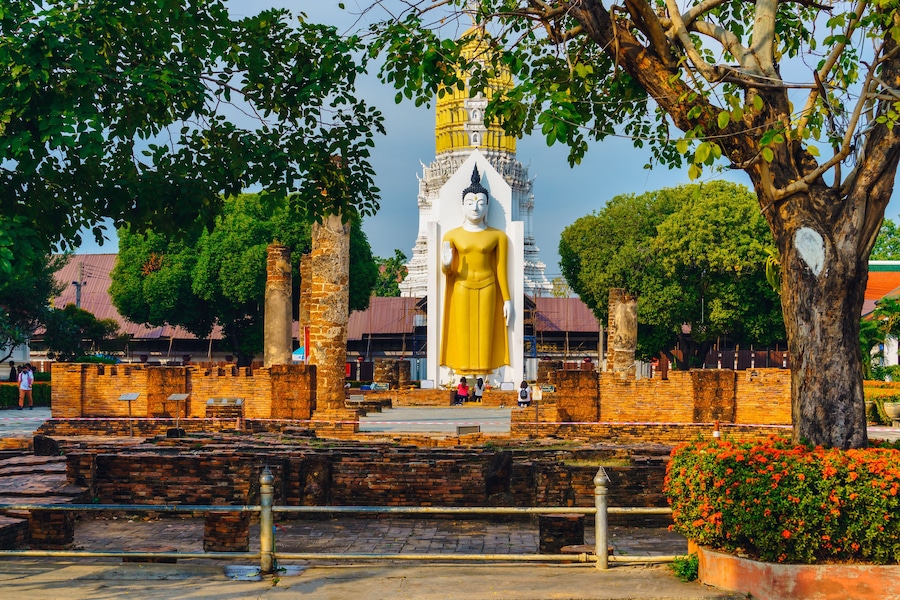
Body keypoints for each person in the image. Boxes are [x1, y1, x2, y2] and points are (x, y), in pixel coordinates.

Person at [441, 165, 512, 373]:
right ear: (462, 205)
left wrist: (507, 299)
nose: (475, 207)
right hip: (462, 286)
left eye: (481, 203)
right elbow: (449, 271)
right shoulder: (452, 235)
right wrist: (446, 265)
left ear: (487, 206)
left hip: (488, 285)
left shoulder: (498, 236)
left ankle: (484, 371)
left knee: (485, 332)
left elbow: (501, 270)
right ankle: (462, 370)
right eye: (470, 203)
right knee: (463, 332)